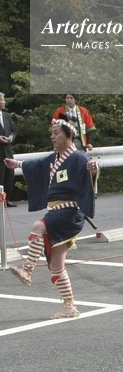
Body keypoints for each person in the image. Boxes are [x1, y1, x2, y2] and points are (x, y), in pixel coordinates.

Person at [3, 119, 99, 318]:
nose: (52, 137)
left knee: (38, 226)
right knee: (56, 264)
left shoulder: (78, 157)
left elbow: (92, 172)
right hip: (56, 211)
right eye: (52, 133)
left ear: (69, 136)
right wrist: (17, 164)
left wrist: (94, 169)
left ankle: (28, 270)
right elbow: (36, 165)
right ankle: (70, 306)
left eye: (56, 133)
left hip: (69, 211)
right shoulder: (55, 157)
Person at [0, 92, 15, 206]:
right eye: (2, 100)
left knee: (9, 176)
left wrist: (11, 137)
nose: (4, 102)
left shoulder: (7, 116)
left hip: (8, 150)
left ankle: (6, 199)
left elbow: (14, 131)